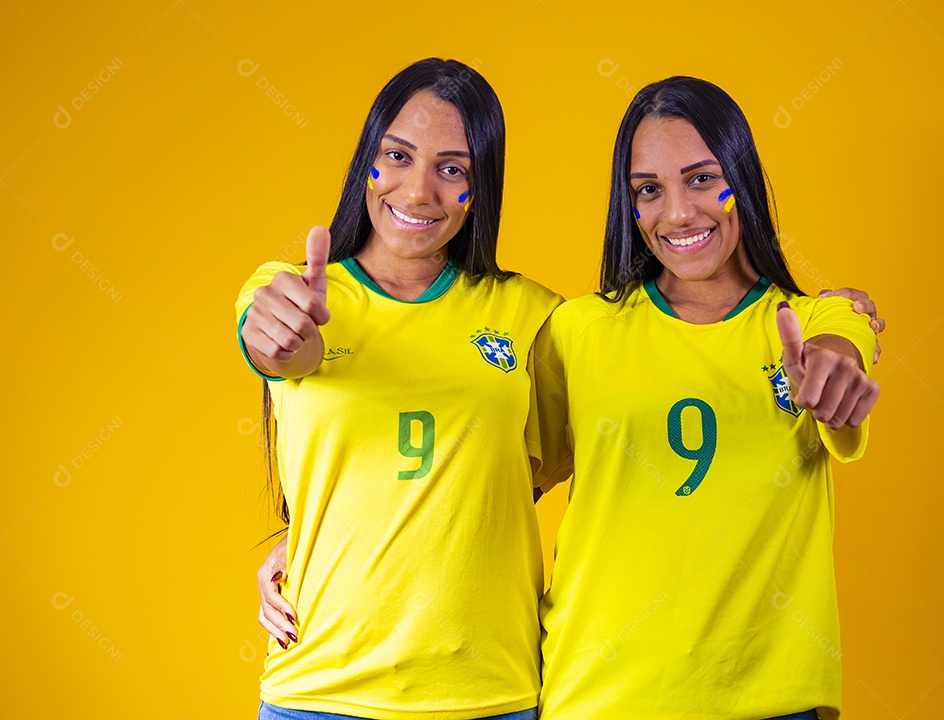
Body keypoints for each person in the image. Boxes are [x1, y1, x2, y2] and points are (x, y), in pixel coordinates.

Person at [532, 76, 881, 720]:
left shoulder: (813, 325)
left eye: (701, 179)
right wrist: (290, 541)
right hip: (596, 698)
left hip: (770, 701)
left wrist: (835, 368)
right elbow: (485, 482)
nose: (678, 213)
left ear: (741, 179)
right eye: (648, 190)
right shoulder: (578, 331)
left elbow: (841, 347)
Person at [234, 57, 563, 720]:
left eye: (451, 169)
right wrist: (281, 335)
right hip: (319, 694)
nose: (417, 192)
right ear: (367, 163)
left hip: (488, 694)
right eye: (397, 156)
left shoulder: (533, 317)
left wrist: (829, 323)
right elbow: (278, 347)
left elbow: (542, 462)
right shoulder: (292, 290)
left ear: (481, 187)